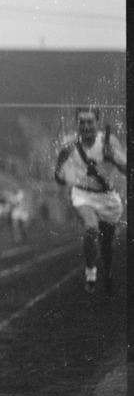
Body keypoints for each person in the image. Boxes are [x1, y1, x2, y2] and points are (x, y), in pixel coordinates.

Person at [53, 107, 126, 295]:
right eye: (82, 122)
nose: (85, 126)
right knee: (91, 227)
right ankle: (91, 272)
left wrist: (114, 158)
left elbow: (127, 169)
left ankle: (108, 272)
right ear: (77, 123)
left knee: (107, 244)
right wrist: (59, 173)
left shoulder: (109, 141)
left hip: (107, 198)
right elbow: (60, 161)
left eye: (89, 122)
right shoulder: (70, 143)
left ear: (96, 123)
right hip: (82, 194)